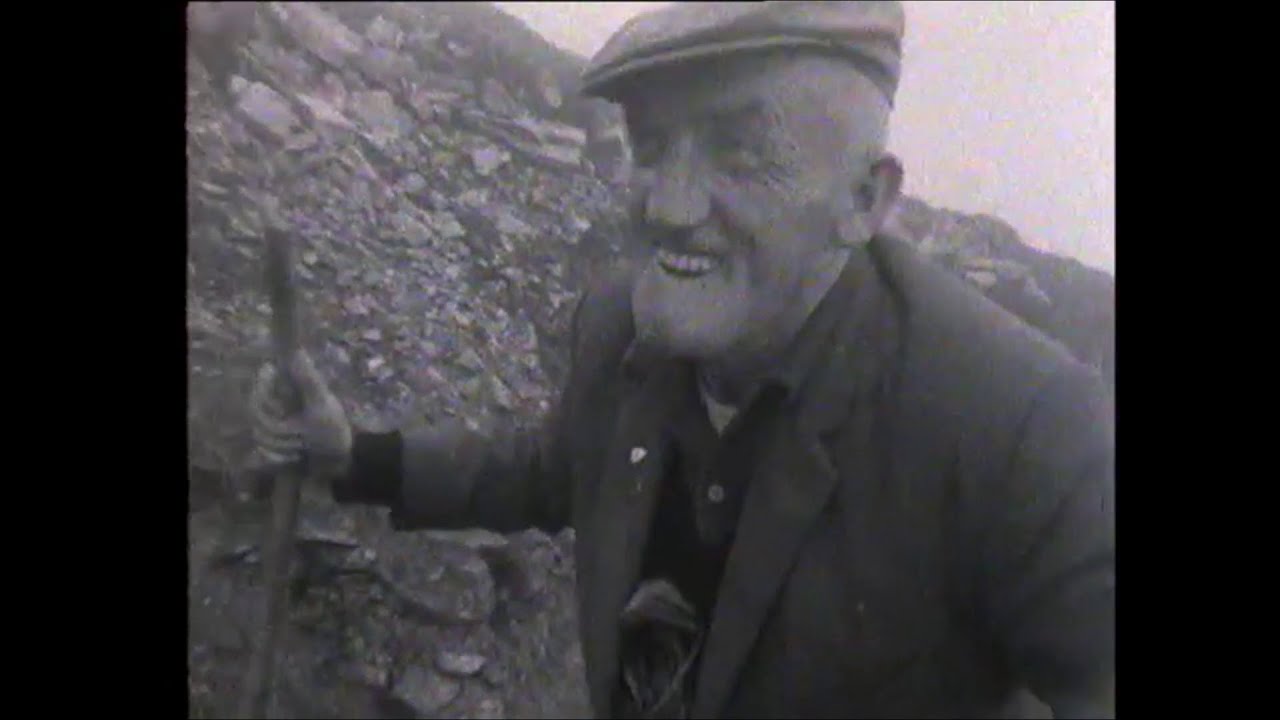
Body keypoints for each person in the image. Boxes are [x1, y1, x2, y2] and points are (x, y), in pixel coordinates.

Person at [250, 2, 1115, 718]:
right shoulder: (621, 324)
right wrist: (354, 457)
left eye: (741, 150)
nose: (667, 206)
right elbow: (556, 469)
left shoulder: (1027, 426)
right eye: (652, 145)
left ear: (864, 199)